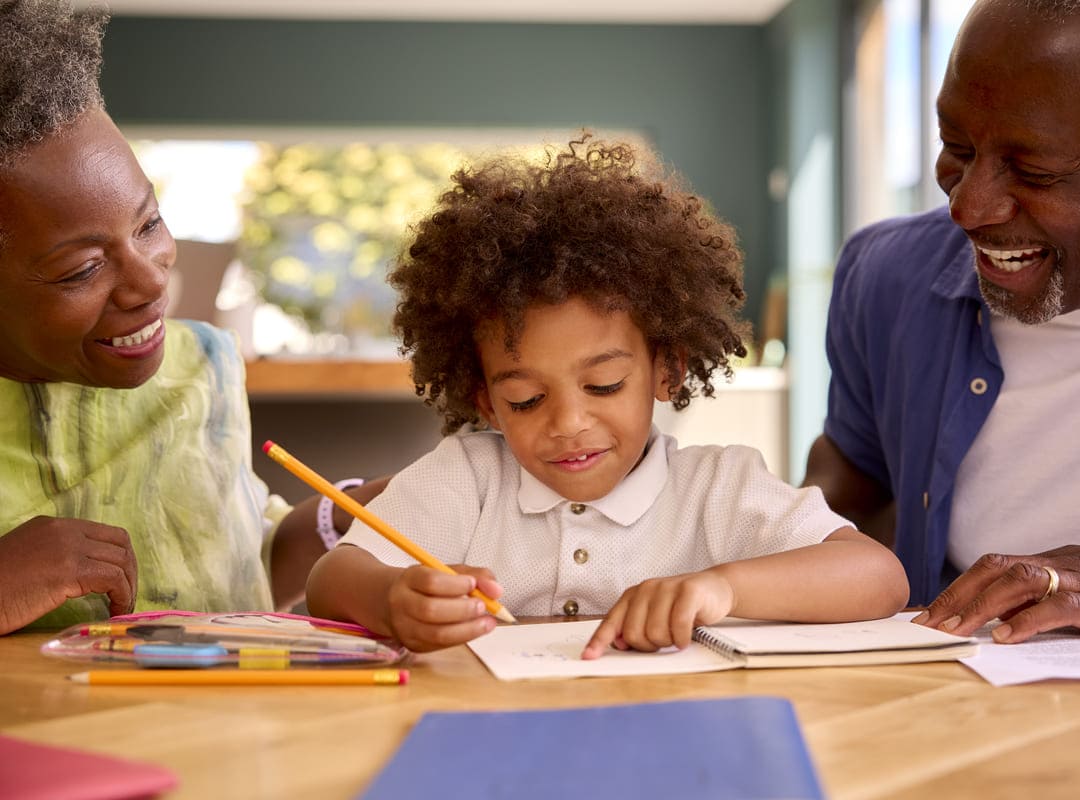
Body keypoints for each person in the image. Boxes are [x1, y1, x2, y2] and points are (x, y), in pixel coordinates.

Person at [306, 137, 909, 656]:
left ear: (666, 371)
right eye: (524, 400)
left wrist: (721, 587)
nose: (568, 422)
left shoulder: (718, 486)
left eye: (604, 386)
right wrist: (390, 599)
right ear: (486, 402)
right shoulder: (465, 478)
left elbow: (879, 577)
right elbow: (332, 576)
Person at [803, 0, 1080, 644]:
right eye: (955, 147)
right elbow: (849, 490)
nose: (968, 207)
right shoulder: (886, 276)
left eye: (1035, 171)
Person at [0, 0, 387, 635]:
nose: (153, 281)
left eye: (148, 223)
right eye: (82, 269)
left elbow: (240, 570)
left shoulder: (203, 363)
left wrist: (338, 517)